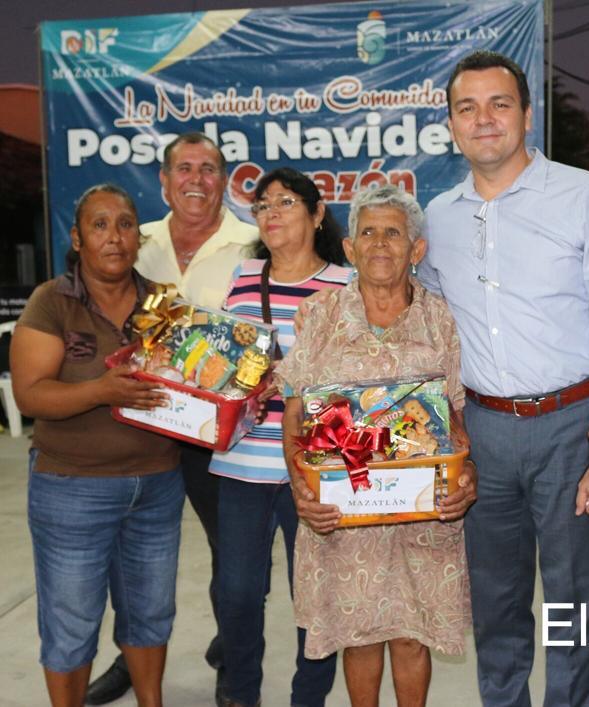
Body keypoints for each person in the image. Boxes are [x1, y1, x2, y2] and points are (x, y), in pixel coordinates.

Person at [417, 50, 589, 706]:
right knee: (496, 603)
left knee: (571, 605)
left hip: (573, 428)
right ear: (451, 125)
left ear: (527, 114)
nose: (484, 119)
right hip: (481, 430)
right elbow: (427, 321)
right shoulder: (439, 216)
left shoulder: (585, 197)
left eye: (499, 104)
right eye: (467, 107)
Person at [279, 184, 477, 707]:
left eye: (394, 232)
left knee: (412, 635)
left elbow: (455, 412)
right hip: (344, 514)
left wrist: (465, 472)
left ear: (416, 249)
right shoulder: (320, 315)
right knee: (360, 636)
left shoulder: (439, 318)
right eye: (368, 232)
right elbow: (295, 412)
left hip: (423, 513)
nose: (381, 243)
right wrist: (301, 487)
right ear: (350, 248)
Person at [85, 132, 258, 705]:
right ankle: (130, 659)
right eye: (184, 168)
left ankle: (233, 657)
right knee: (132, 556)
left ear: (224, 180)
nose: (196, 180)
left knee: (236, 561)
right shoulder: (137, 241)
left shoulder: (251, 244)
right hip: (143, 425)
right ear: (163, 180)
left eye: (208, 168)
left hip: (219, 437)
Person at [11, 184, 184, 707]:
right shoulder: (52, 301)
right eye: (100, 225)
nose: (114, 236)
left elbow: (191, 386)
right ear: (77, 238)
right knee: (71, 621)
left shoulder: (165, 304)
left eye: (126, 224)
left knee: (150, 612)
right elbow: (30, 395)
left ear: (138, 236)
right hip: (72, 487)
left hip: (157, 484)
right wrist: (101, 391)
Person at [208, 167, 350, 707]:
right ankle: (241, 693)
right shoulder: (244, 276)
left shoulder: (345, 285)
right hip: (241, 464)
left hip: (315, 471)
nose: (271, 213)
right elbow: (224, 358)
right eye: (263, 204)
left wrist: (294, 380)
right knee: (237, 594)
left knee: (314, 600)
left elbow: (359, 378)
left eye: (286, 202)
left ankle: (306, 699)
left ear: (317, 215)